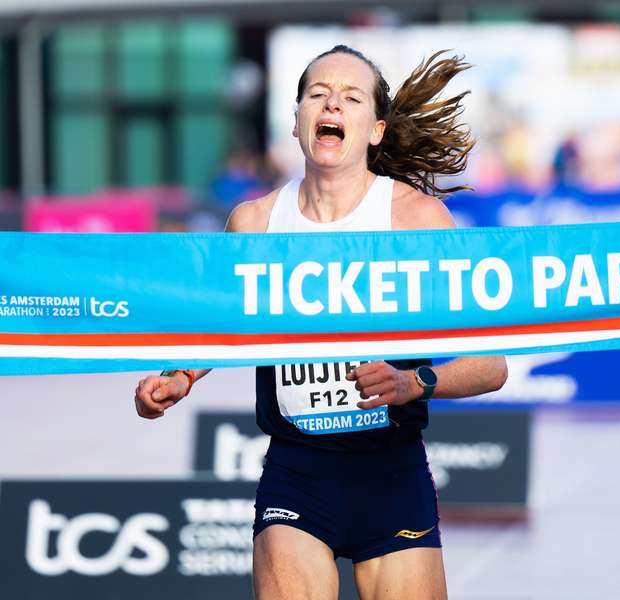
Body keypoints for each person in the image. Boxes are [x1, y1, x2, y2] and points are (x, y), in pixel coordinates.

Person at [133, 45, 508, 600]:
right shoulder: (255, 223)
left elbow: (491, 365)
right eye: (318, 93)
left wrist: (412, 383)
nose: (332, 103)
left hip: (392, 475)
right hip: (297, 472)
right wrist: (180, 375)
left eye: (351, 96)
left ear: (376, 129)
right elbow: (226, 328)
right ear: (297, 121)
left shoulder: (415, 222)